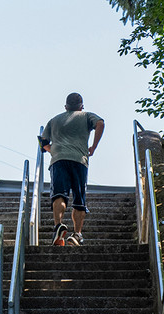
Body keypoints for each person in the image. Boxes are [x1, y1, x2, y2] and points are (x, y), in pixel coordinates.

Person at [40, 92, 105, 246]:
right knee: (79, 199)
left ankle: (58, 226)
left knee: (59, 195)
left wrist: (54, 150)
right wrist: (93, 147)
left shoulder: (54, 120)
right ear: (81, 106)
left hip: (59, 160)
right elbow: (100, 123)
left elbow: (43, 142)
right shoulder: (86, 115)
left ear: (66, 107)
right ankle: (77, 234)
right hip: (79, 160)